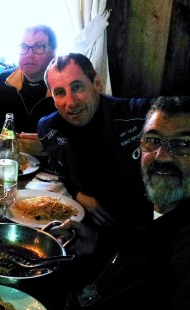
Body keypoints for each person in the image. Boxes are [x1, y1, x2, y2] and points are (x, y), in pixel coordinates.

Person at [45, 96, 190, 310]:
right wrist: (97, 244)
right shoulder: (155, 203)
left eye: (184, 144)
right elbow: (141, 262)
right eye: (153, 140)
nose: (162, 156)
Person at [38, 52, 155, 232]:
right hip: (84, 226)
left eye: (77, 87)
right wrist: (78, 194)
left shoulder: (137, 114)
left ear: (97, 84)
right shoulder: (48, 129)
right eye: (60, 92)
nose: (71, 103)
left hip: (143, 229)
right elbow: (61, 170)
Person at [0, 25, 57, 154]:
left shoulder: (64, 90)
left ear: (54, 52)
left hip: (50, 170)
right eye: (23, 47)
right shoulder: (0, 82)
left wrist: (51, 144)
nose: (29, 55)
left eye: (38, 47)